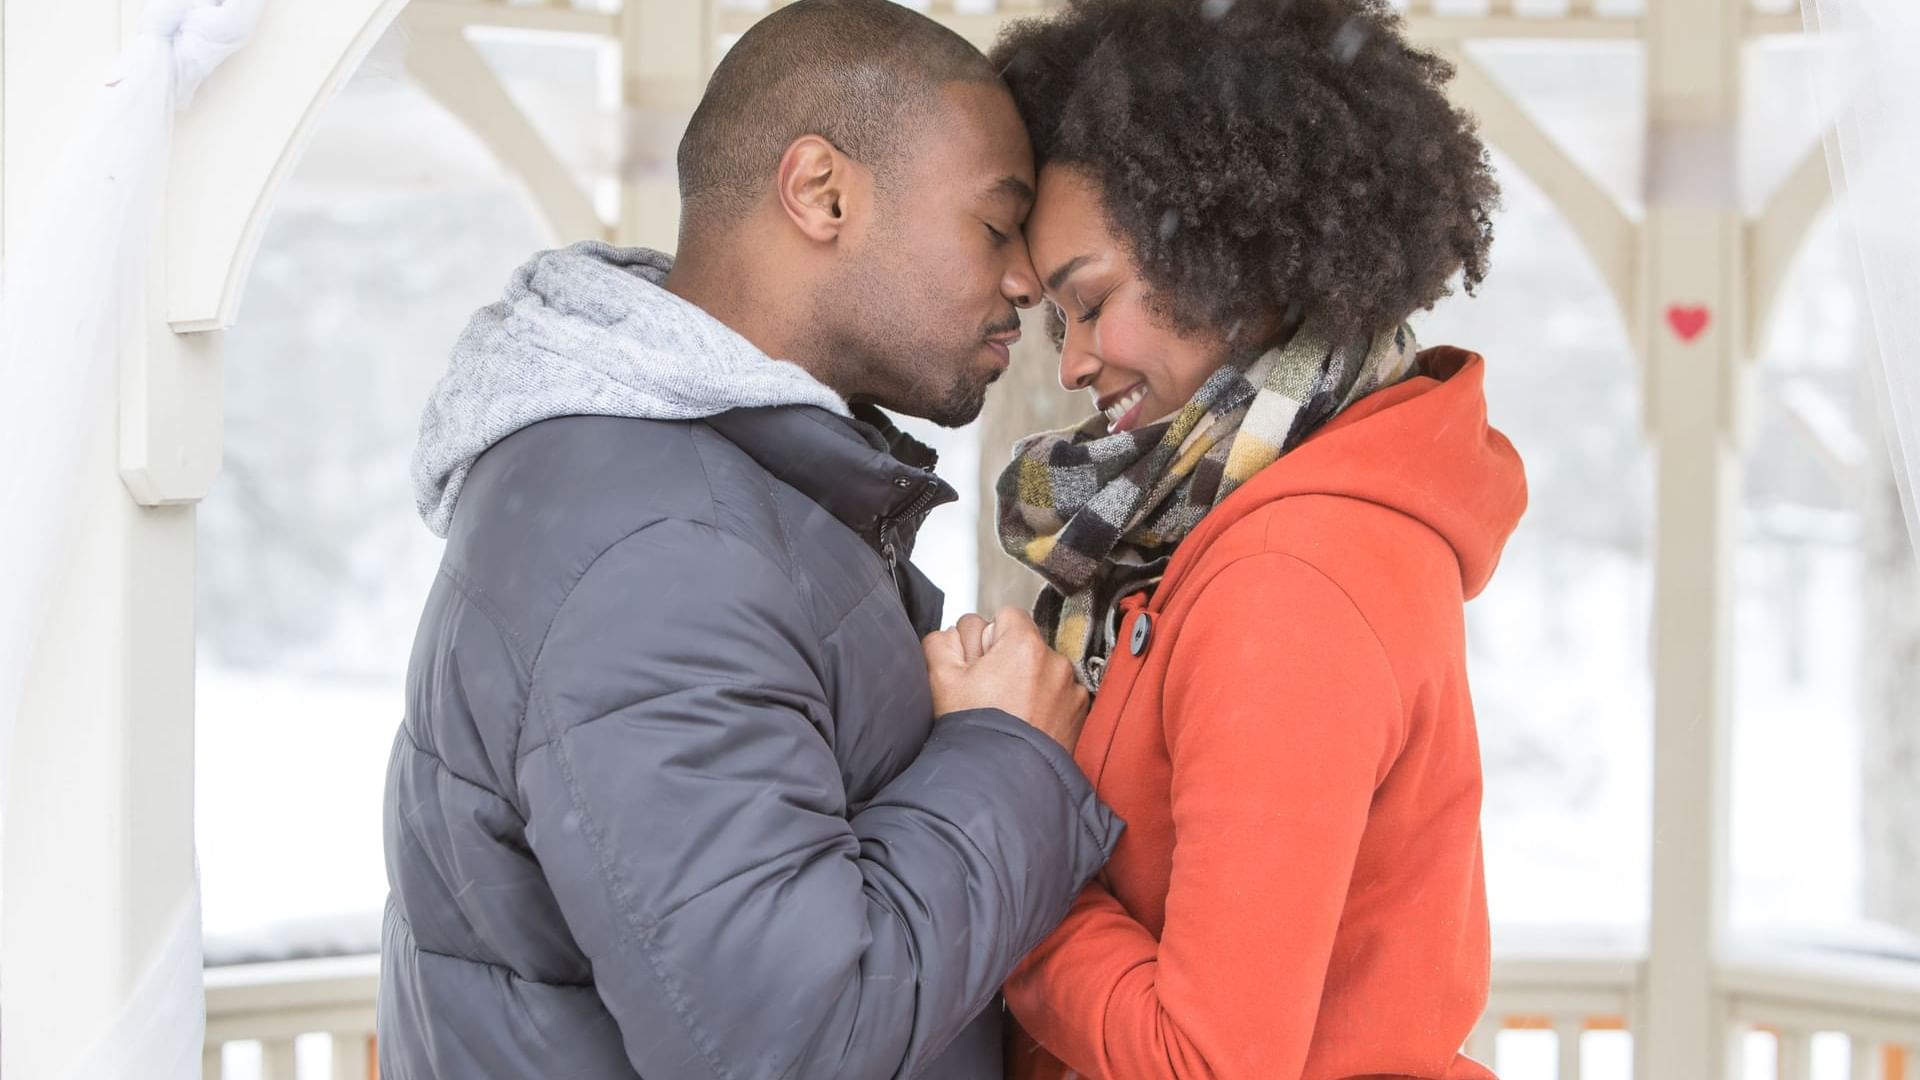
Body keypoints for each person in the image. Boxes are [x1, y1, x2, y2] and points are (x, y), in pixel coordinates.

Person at [377, 2, 1122, 1076]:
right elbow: (791, 1041)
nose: (1024, 282)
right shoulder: (659, 550)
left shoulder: (712, 490)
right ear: (823, 193)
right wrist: (1004, 755)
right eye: (996, 225)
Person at [979, 1, 1527, 1076]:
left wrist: (1009, 825)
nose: (1073, 364)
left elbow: (1207, 1061)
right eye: (1056, 321)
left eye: (1090, 304)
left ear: (1235, 255)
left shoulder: (1289, 578)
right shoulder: (1256, 522)